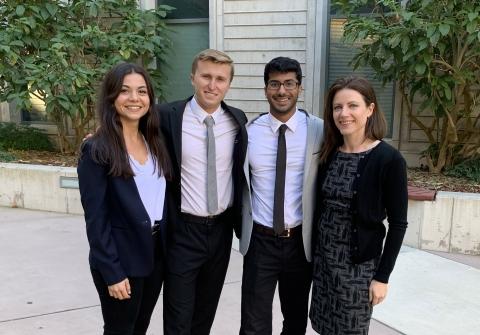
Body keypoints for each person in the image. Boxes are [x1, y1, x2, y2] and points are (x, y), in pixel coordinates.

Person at [77, 62, 172, 335]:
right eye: (125, 91)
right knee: (120, 330)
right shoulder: (97, 149)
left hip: (155, 254)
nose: (134, 99)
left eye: (142, 91)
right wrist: (112, 272)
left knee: (139, 327)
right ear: (111, 97)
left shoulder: (154, 141)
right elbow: (96, 220)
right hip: (121, 258)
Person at [158, 49, 248, 335]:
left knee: (205, 314)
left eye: (220, 79)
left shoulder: (238, 120)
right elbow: (128, 127)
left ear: (229, 84)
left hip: (220, 231)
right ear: (193, 77)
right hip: (183, 230)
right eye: (206, 76)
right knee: (178, 317)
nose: (212, 85)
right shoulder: (166, 116)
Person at [309, 76, 408, 334]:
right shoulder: (328, 153)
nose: (344, 114)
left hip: (358, 269)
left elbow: (398, 224)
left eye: (353, 105)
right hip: (323, 264)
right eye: (337, 107)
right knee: (322, 327)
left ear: (370, 109)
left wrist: (382, 277)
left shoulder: (388, 159)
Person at [239, 57, 323, 335]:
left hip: (300, 241)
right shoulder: (249, 133)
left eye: (289, 84)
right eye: (274, 84)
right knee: (253, 324)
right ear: (265, 89)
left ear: (299, 88)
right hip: (260, 241)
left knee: (296, 320)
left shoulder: (319, 131)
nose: (282, 91)